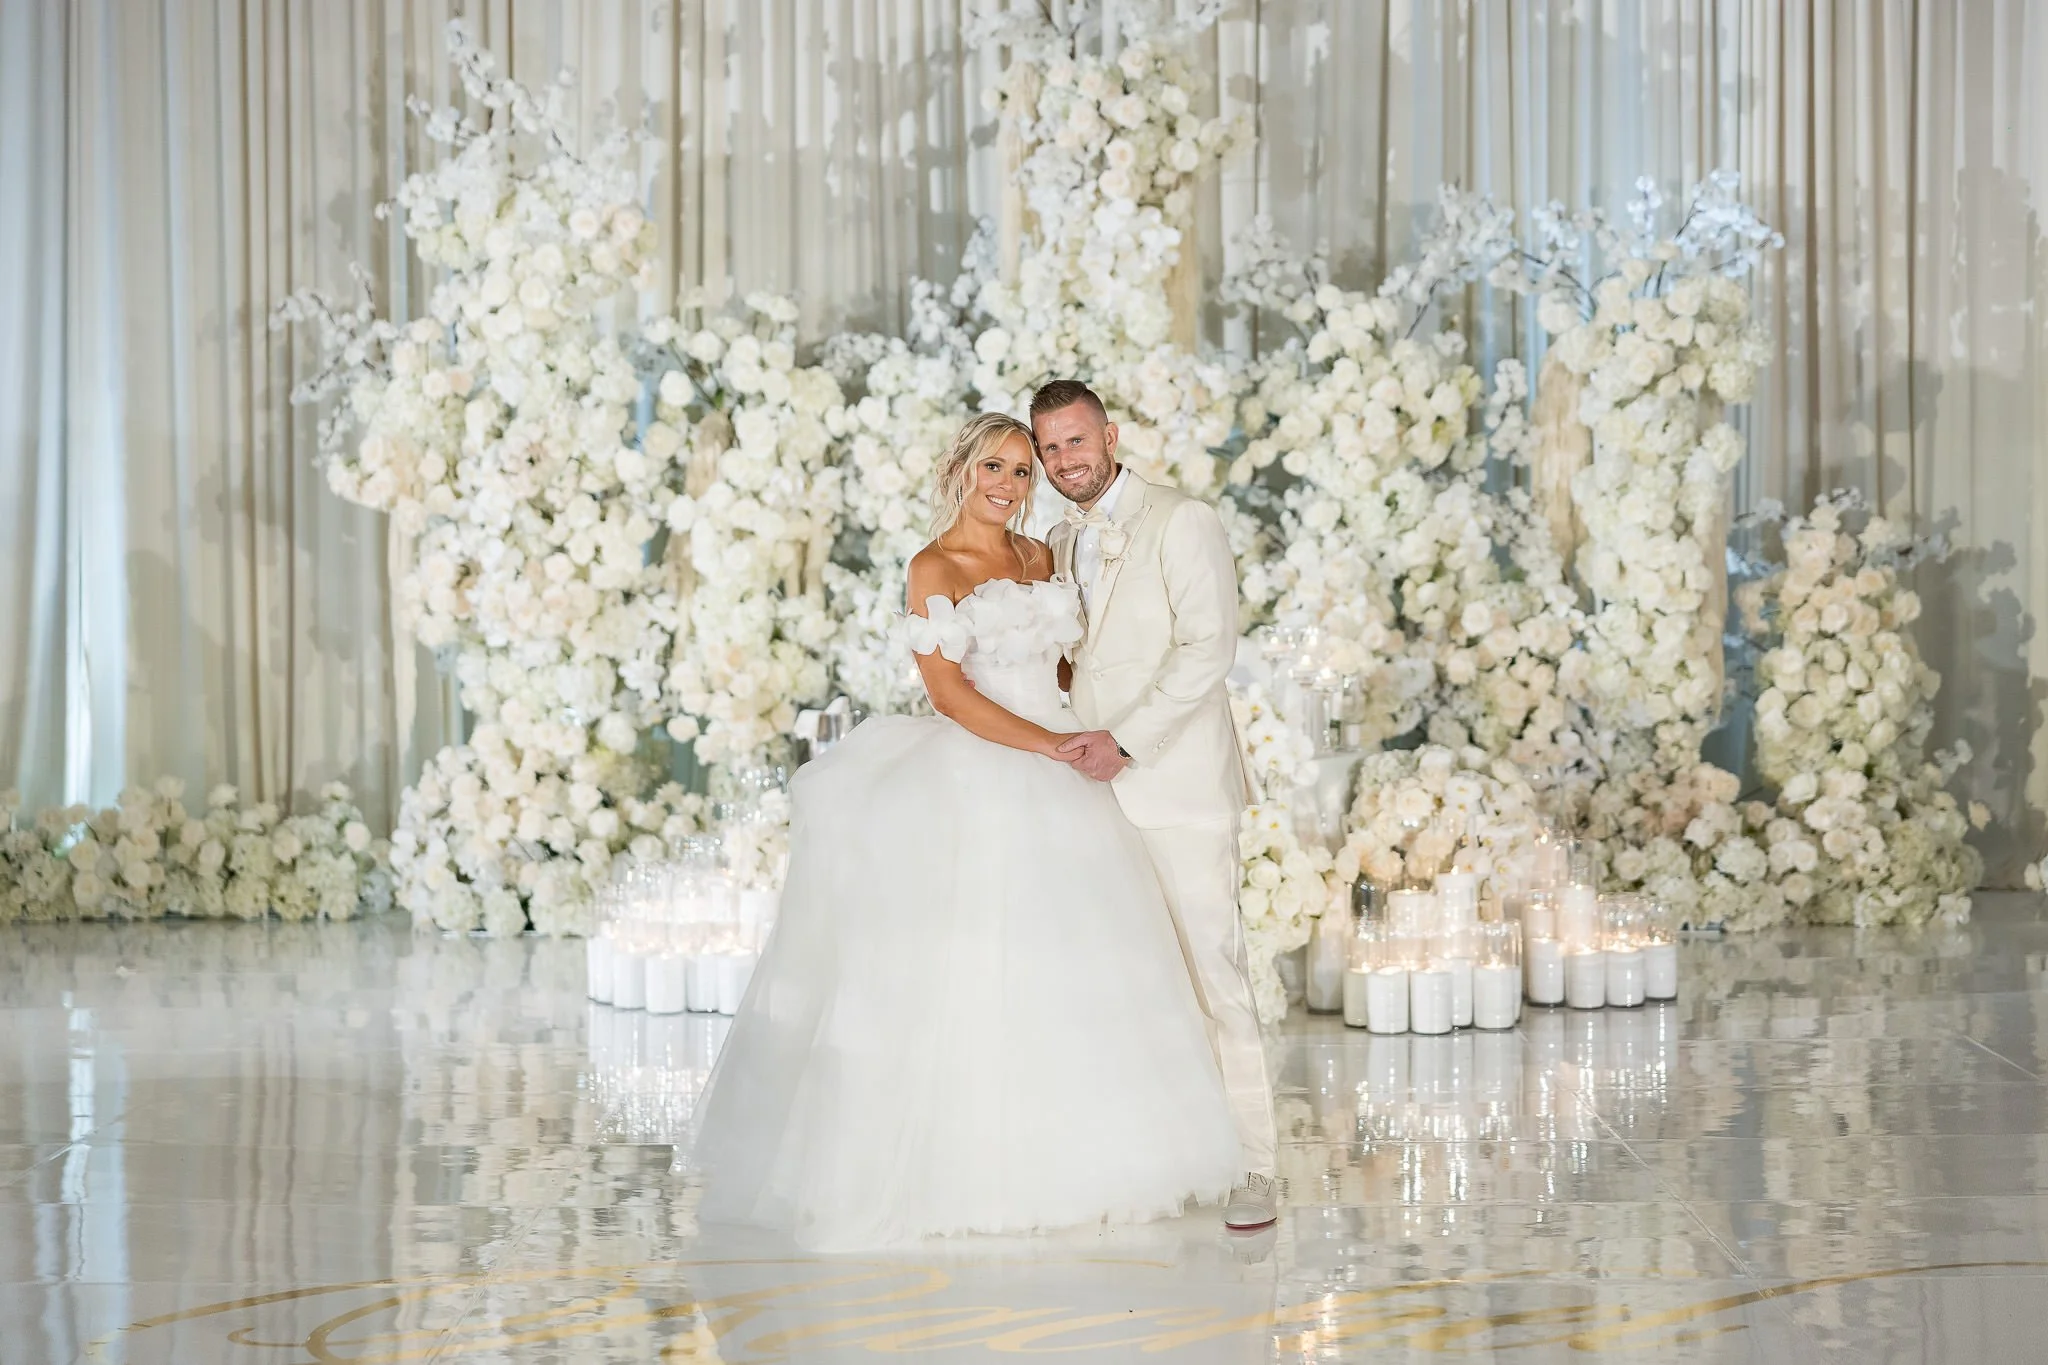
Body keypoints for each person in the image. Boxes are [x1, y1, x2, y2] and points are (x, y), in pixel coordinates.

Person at [687, 411, 1240, 1252]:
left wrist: (1077, 730)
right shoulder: (932, 565)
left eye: (1024, 470)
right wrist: (1047, 742)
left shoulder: (1040, 554)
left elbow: (1064, 668)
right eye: (996, 466)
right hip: (989, 762)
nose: (1011, 485)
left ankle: (1095, 1158)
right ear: (961, 469)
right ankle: (978, 1165)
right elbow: (949, 694)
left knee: (1082, 962)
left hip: (1065, 764)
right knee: (978, 964)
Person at [1034, 379, 1281, 1231]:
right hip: (1093, 797)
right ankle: (1171, 1159)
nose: (1065, 460)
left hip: (1175, 789)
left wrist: (1127, 740)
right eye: (1049, 448)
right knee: (1134, 988)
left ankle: (1255, 1167)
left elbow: (1209, 647)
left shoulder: (1183, 519)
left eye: (1076, 441)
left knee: (1216, 980)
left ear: (1109, 436)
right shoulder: (1059, 538)